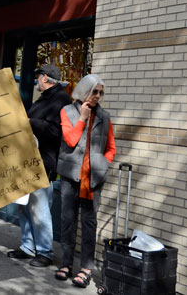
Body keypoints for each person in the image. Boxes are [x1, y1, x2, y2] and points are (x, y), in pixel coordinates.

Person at [6, 64, 72, 267]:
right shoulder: (47, 98)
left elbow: (55, 132)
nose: (36, 81)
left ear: (45, 78)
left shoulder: (60, 101)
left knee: (40, 209)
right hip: (30, 161)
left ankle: (44, 252)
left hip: (43, 163)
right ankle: (28, 247)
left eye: (38, 77)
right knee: (25, 207)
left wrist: (29, 121)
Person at [55, 74, 116, 289]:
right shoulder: (67, 111)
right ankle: (66, 263)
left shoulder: (105, 117)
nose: (98, 96)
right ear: (84, 91)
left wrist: (102, 164)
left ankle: (86, 268)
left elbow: (111, 148)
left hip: (93, 179)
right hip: (71, 176)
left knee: (89, 224)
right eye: (95, 91)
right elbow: (71, 140)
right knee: (68, 220)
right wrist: (82, 117)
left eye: (101, 92)